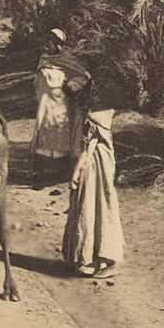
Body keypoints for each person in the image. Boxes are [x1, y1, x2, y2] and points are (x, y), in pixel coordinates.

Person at [63, 107, 125, 277]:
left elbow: (88, 147)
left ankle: (104, 259)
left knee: (90, 207)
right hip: (102, 167)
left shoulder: (94, 117)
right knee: (99, 207)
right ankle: (92, 258)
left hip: (92, 167)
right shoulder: (106, 116)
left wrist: (76, 171)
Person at [31, 26, 91, 188]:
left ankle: (61, 174)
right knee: (43, 138)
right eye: (46, 42)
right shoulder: (44, 59)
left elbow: (84, 76)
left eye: (49, 43)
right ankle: (41, 174)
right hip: (45, 106)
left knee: (63, 139)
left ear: (57, 45)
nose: (46, 46)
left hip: (63, 108)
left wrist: (71, 85)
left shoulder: (68, 60)